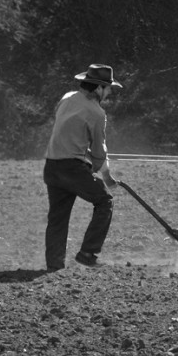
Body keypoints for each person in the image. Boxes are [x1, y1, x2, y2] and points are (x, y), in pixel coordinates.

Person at [43, 64, 123, 270]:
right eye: (108, 88)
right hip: (72, 168)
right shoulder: (96, 112)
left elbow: (66, 131)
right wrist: (105, 175)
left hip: (51, 166)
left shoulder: (67, 98)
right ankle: (88, 253)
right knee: (105, 201)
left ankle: (54, 265)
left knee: (58, 218)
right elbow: (98, 151)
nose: (110, 92)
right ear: (98, 88)